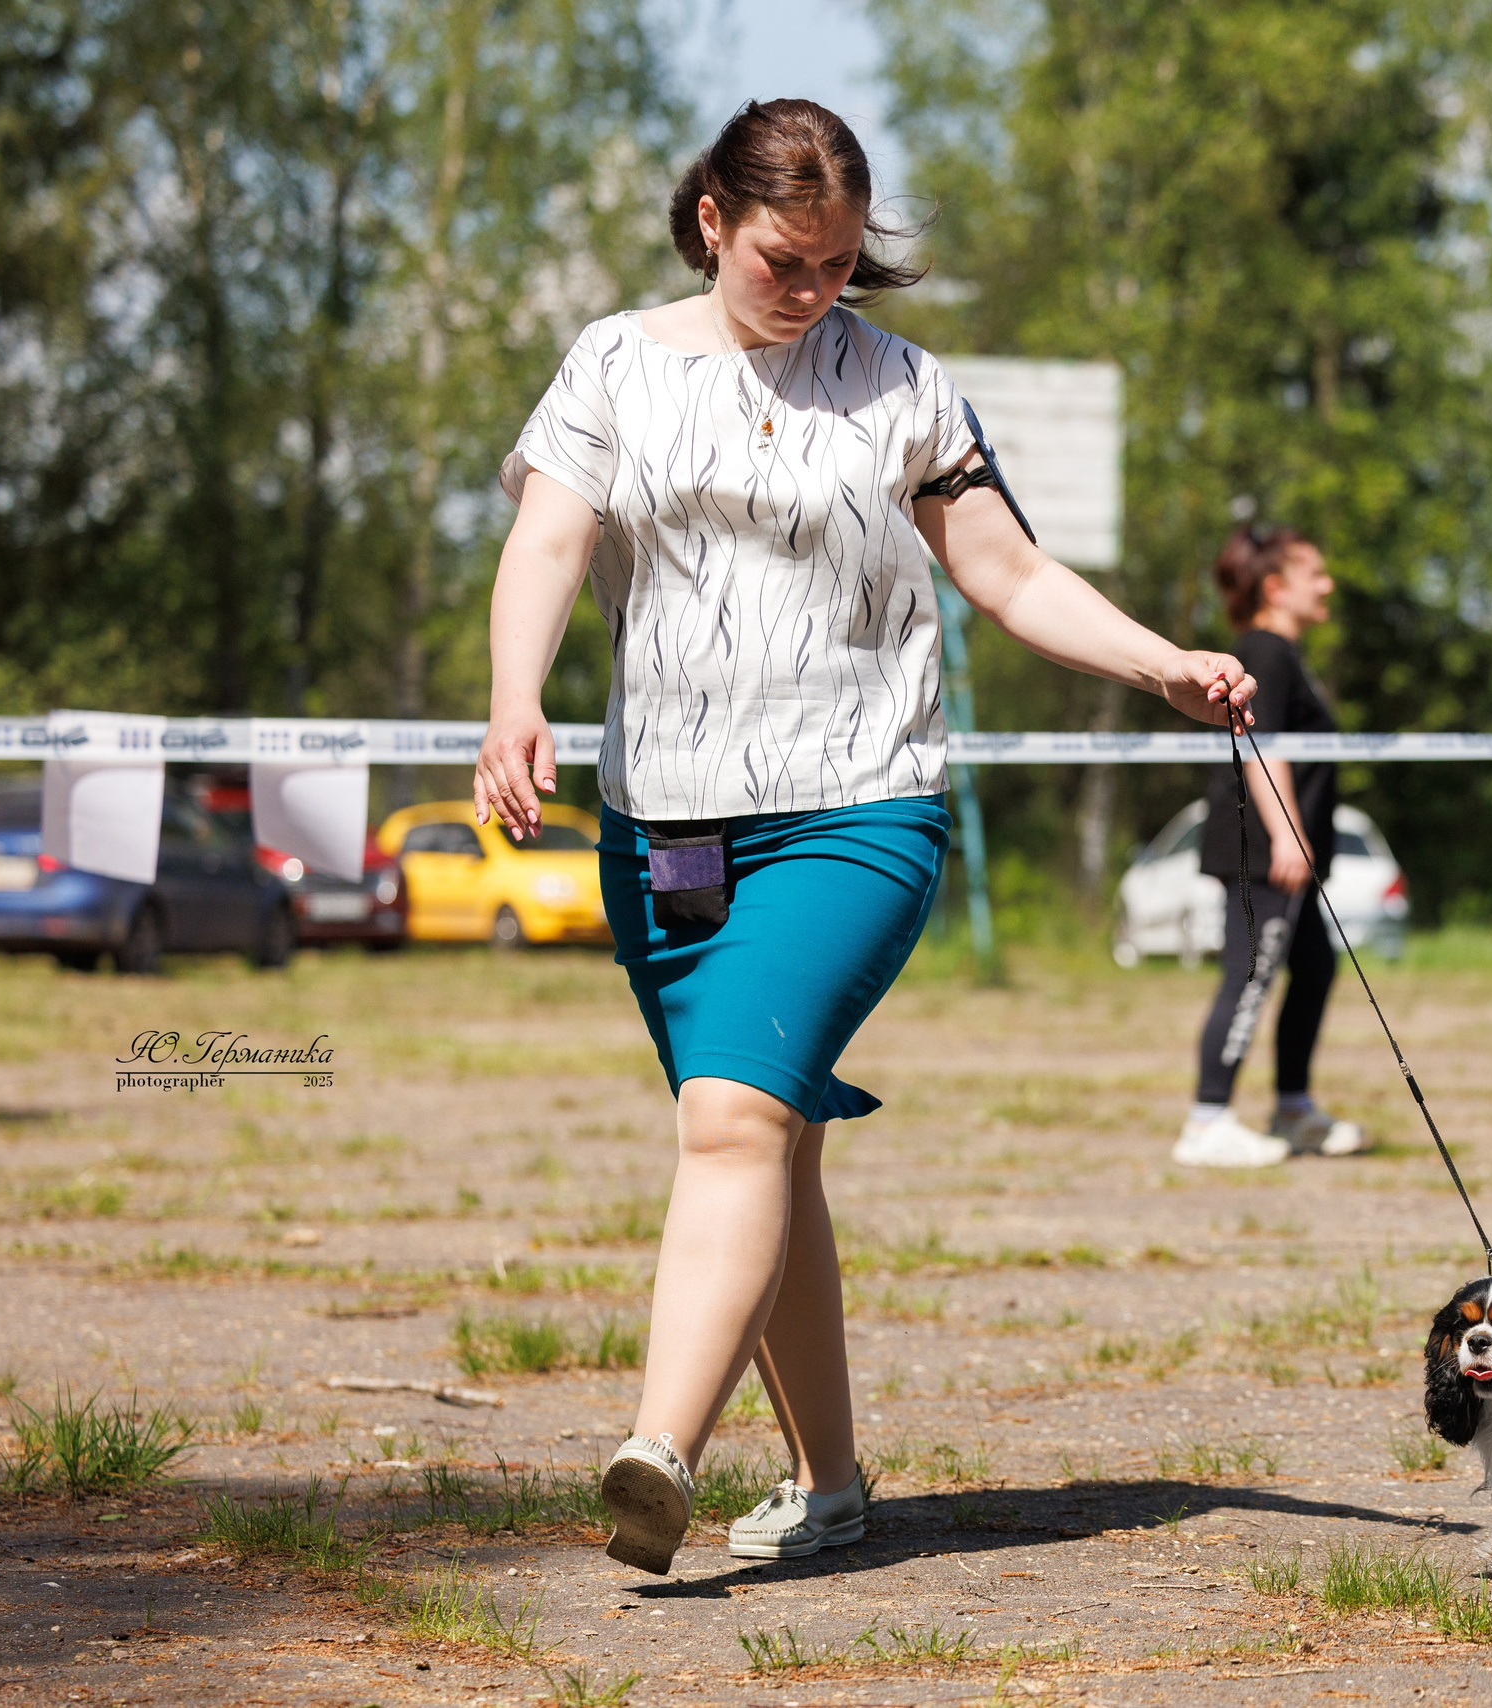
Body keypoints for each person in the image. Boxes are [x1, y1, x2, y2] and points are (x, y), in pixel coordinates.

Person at [473, 99, 1254, 1576]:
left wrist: (1161, 662)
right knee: (771, 1143)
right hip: (665, 828)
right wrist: (515, 697)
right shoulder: (614, 365)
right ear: (713, 220)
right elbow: (551, 539)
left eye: (836, 263)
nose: (813, 288)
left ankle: (660, 1451)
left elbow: (1009, 573)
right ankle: (831, 1486)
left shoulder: (904, 388)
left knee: (735, 1121)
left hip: (857, 809)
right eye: (785, 257)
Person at [1174, 525, 1372, 1168]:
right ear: (1275, 586)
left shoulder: (1281, 652)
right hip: (1262, 852)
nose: (1328, 585)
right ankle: (1207, 1122)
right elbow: (1268, 747)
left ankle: (1292, 1110)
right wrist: (1289, 835)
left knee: (1314, 969)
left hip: (1281, 856)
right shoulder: (1265, 648)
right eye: (1315, 572)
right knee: (1251, 976)